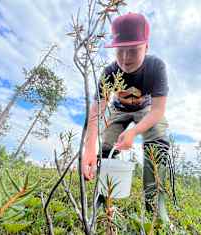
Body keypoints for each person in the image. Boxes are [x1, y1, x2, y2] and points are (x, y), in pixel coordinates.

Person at [82, 12, 172, 224]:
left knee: (158, 135)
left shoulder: (155, 67)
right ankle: (103, 198)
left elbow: (158, 110)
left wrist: (134, 131)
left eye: (133, 50)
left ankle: (155, 205)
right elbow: (97, 111)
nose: (125, 58)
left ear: (146, 47)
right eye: (120, 51)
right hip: (119, 109)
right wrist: (88, 149)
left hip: (146, 109)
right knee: (106, 145)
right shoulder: (109, 72)